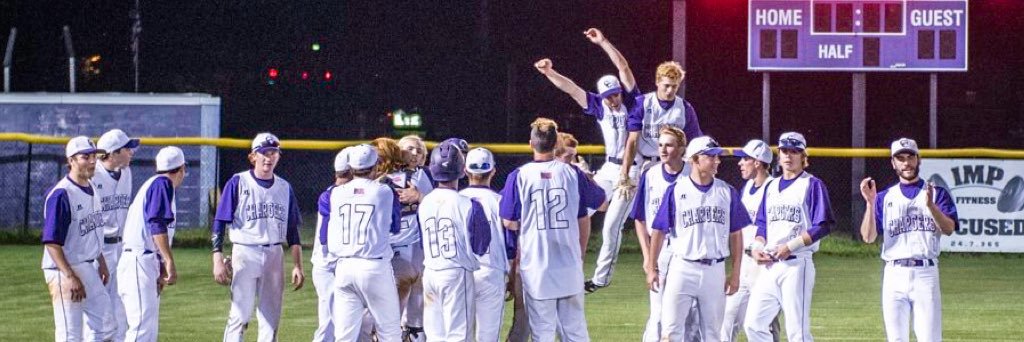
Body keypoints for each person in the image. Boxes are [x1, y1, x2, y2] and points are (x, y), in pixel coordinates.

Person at [535, 27, 641, 292]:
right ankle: (561, 266)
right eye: (608, 97)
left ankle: (599, 280)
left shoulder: (632, 100)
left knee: (611, 227)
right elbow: (570, 88)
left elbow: (623, 67)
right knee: (575, 209)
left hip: (633, 170)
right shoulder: (598, 105)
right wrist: (549, 72)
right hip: (608, 168)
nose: (613, 100)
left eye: (615, 94)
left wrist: (603, 41)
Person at [499, 118, 606, 341]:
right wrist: (588, 176)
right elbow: (601, 202)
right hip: (568, 264)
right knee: (575, 331)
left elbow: (508, 221)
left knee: (542, 333)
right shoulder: (572, 173)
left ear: (531, 144)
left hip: (537, 267)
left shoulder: (519, 176)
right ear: (555, 142)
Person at [646, 136, 748, 341]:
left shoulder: (726, 191)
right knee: (671, 331)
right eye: (711, 156)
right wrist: (651, 267)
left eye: (717, 157)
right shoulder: (676, 190)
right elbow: (658, 230)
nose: (717, 161)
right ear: (695, 159)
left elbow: (736, 234)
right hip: (682, 268)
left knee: (712, 334)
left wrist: (735, 273)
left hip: (715, 270)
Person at [859, 138, 958, 342]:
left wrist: (931, 206)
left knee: (929, 338)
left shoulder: (936, 193)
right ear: (893, 163)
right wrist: (870, 204)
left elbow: (949, 229)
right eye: (900, 158)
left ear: (918, 159)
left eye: (910, 157)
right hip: (894, 273)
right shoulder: (884, 197)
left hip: (926, 272)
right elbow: (868, 237)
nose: (906, 163)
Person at [211, 132, 305, 342]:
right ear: (253, 156)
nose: (269, 157)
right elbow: (220, 221)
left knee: (271, 319)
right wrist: (217, 258)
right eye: (264, 152)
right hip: (245, 251)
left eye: (274, 152)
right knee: (239, 316)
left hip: (274, 253)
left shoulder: (284, 187)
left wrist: (298, 265)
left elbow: (292, 231)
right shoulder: (238, 182)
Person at [744, 132, 835, 342]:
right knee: (753, 325)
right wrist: (757, 246)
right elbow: (762, 224)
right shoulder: (771, 186)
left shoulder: (812, 184)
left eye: (794, 151)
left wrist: (790, 246)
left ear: (803, 156)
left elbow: (823, 225)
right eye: (784, 150)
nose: (788, 155)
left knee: (797, 332)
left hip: (797, 264)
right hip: (770, 265)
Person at [325, 144, 404, 342]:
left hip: (344, 268)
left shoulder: (336, 193)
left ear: (351, 168)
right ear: (376, 165)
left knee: (344, 336)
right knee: (390, 333)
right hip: (374, 267)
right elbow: (395, 226)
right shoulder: (384, 191)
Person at [417, 141, 492, 341]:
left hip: (431, 272)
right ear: (461, 170)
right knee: (459, 335)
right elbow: (481, 246)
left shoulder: (424, 202)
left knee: (435, 336)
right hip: (456, 273)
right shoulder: (469, 204)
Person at [42, 136, 110, 341]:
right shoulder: (62, 194)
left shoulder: (91, 188)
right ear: (71, 160)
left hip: (87, 265)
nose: (92, 161)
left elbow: (93, 231)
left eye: (94, 156)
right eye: (85, 157)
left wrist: (102, 262)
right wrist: (70, 276)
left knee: (106, 324)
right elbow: (52, 243)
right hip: (63, 268)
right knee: (70, 334)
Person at [117, 146, 187, 341]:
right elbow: (156, 223)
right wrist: (168, 260)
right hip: (139, 261)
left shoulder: (155, 183)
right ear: (182, 169)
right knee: (141, 330)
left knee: (145, 329)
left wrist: (160, 262)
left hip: (140, 260)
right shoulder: (162, 184)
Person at [372, 137, 433, 340]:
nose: (414, 153)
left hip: (415, 249)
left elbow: (437, 207)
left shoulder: (422, 176)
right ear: (398, 152)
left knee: (412, 315)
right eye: (409, 149)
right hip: (392, 251)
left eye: (419, 151)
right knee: (391, 315)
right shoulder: (381, 181)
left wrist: (420, 197)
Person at [618, 61, 703, 205]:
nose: (670, 90)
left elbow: (695, 143)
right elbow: (632, 140)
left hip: (674, 166)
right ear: (657, 82)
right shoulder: (643, 103)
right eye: (666, 85)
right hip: (643, 164)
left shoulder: (684, 108)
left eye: (674, 86)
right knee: (624, 212)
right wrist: (624, 173)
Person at [721, 139, 781, 342]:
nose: (740, 163)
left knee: (765, 324)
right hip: (745, 262)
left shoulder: (774, 187)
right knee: (728, 318)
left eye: (745, 159)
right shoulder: (747, 187)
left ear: (757, 162)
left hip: (764, 264)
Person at [630, 126, 686, 342]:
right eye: (660, 144)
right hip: (659, 251)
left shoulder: (692, 172)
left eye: (669, 145)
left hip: (684, 251)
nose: (663, 149)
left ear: (681, 149)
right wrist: (647, 257)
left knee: (685, 313)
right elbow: (640, 218)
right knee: (659, 312)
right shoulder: (650, 174)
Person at [459, 147, 513, 342]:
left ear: (465, 171)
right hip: (492, 271)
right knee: (488, 337)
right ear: (493, 171)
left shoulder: (455, 200)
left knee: (459, 334)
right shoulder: (501, 201)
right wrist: (513, 276)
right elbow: (510, 245)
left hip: (460, 273)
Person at [93, 128, 140, 341]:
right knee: (98, 307)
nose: (132, 152)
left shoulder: (127, 173)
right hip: (98, 249)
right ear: (112, 153)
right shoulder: (93, 176)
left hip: (121, 247)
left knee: (122, 303)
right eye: (127, 149)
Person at [311, 148, 354, 342]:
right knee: (330, 323)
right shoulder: (335, 195)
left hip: (334, 264)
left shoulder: (333, 193)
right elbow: (324, 237)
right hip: (328, 265)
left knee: (341, 322)